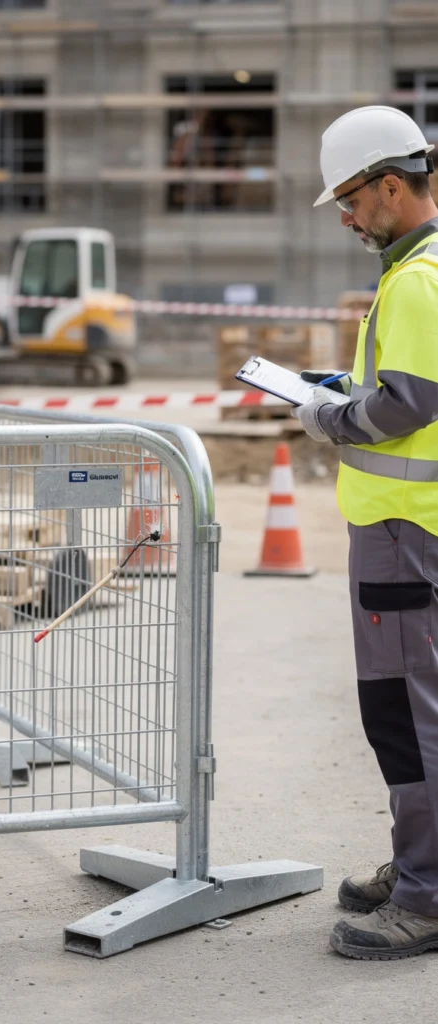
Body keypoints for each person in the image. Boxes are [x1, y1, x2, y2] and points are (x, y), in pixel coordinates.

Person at [295, 105, 438, 961]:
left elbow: (406, 404)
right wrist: (337, 387)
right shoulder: (419, 269)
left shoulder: (416, 278)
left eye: (350, 200)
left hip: (402, 534)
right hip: (411, 532)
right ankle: (421, 862)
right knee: (419, 713)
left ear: (391, 185)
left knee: (404, 718)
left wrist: (327, 415)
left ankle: (423, 894)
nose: (346, 217)